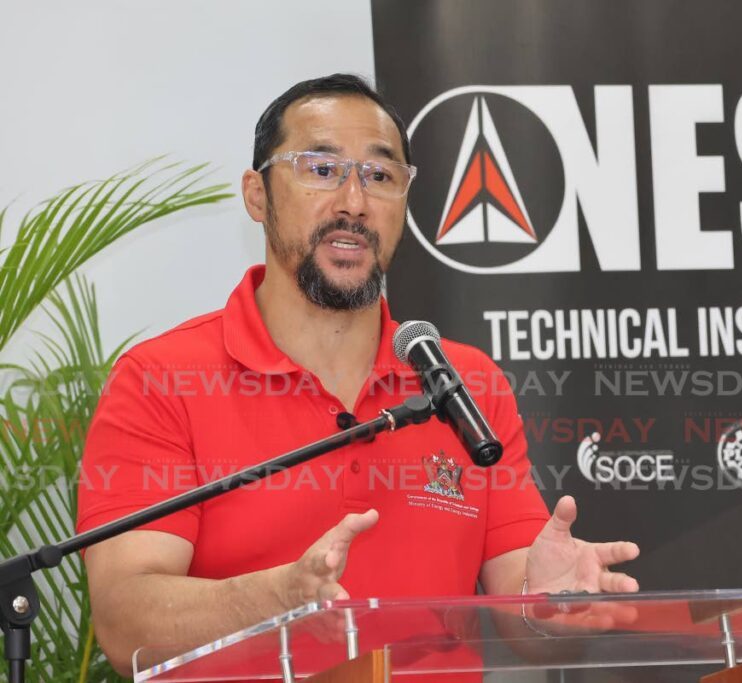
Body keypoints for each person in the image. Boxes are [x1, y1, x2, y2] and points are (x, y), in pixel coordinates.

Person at [76, 74, 640, 676]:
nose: (353, 201)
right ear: (257, 194)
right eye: (321, 169)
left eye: (379, 175)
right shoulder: (162, 379)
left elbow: (524, 623)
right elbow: (125, 621)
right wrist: (276, 599)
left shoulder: (463, 383)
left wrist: (547, 604)